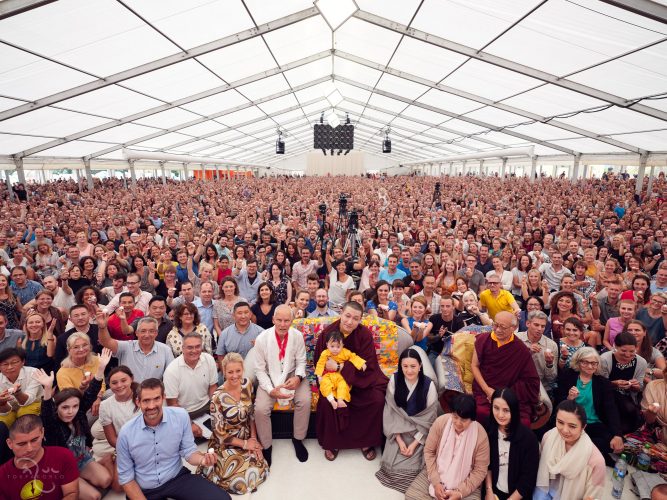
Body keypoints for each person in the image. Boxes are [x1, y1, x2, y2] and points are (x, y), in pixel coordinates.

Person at [115, 378, 231, 500]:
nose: (151, 406)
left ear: (163, 397)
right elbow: (126, 478)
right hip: (145, 490)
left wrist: (203, 460)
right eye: (146, 401)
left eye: (156, 399)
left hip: (176, 478)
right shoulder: (126, 433)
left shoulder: (181, 416)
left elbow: (189, 452)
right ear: (138, 402)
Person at [314, 301, 388, 461]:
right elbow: (320, 362)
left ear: (360, 320)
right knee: (328, 402)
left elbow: (369, 366)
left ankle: (366, 441)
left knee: (377, 399)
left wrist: (340, 367)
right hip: (334, 382)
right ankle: (332, 442)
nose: (349, 321)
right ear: (341, 313)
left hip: (361, 382)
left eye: (355, 318)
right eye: (347, 316)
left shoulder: (365, 335)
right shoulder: (328, 333)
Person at [34, 354, 113, 500]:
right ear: (57, 408)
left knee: (106, 480)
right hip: (63, 469)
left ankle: (90, 473)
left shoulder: (79, 414)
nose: (70, 411)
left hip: (82, 460)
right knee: (94, 496)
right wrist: (47, 389)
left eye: (75, 406)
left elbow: (91, 392)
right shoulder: (53, 424)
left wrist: (101, 368)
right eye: (65, 407)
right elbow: (46, 414)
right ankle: (69, 484)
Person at [198, 353, 268, 494]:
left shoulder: (247, 384)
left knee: (258, 467)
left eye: (238, 371)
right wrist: (244, 444)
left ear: (243, 370)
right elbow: (220, 434)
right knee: (234, 482)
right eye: (230, 372)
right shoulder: (217, 397)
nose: (235, 375)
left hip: (246, 435)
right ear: (224, 372)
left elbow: (251, 415)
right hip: (226, 441)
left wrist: (253, 439)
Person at [375, 348, 439, 493]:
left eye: (413, 366)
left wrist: (416, 443)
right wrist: (399, 439)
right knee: (390, 468)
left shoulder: (428, 385)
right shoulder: (395, 379)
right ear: (400, 366)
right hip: (397, 429)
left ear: (420, 366)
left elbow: (430, 418)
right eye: (405, 366)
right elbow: (391, 410)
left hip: (420, 431)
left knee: (417, 468)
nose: (409, 371)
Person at [253, 305, 310, 465]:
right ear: (273, 320)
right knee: (260, 409)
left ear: (292, 321)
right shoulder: (261, 339)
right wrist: (271, 390)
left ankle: (298, 439)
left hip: (292, 374)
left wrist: (298, 377)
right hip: (269, 377)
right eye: (279, 320)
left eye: (287, 321)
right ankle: (266, 446)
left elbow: (301, 361)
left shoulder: (297, 335)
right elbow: (259, 369)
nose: (283, 324)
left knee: (304, 401)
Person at [404, 394, 490, 500]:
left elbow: (480, 471)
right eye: (455, 417)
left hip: (466, 480)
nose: (458, 423)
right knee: (411, 496)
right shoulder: (441, 422)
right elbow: (429, 451)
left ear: (472, 419)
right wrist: (436, 482)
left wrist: (460, 493)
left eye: (463, 420)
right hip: (438, 471)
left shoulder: (481, 435)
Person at [471, 311, 540, 426]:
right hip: (485, 391)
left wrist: (505, 395)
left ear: (513, 328)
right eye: (495, 325)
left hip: (509, 393)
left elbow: (530, 380)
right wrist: (487, 390)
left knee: (522, 421)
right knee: (482, 412)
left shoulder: (520, 349)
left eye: (503, 327)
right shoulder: (483, 340)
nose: (498, 330)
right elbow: (474, 365)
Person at [533, 400, 606, 500]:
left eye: (572, 426)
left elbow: (592, 496)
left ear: (583, 427)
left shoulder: (596, 461)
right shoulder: (548, 437)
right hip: (543, 492)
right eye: (560, 422)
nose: (565, 430)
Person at [0, 415, 79, 500]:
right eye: (22, 444)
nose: (29, 449)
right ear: (9, 444)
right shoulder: (2, 475)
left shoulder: (63, 456)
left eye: (34, 440)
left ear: (42, 433)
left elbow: (71, 493)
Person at [485, 388, 539, 500]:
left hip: (518, 496)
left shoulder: (529, 439)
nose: (500, 415)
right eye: (496, 408)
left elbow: (528, 479)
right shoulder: (488, 430)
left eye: (506, 410)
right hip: (493, 493)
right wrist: (489, 491)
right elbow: (487, 465)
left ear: (513, 410)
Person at [94, 366, 140, 492]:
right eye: (114, 383)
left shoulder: (142, 397)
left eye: (123, 380)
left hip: (146, 444)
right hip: (124, 447)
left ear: (131, 379)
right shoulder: (105, 406)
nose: (119, 385)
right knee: (118, 488)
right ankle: (109, 460)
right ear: (109, 385)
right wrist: (128, 450)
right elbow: (112, 439)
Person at [164, 333, 218, 438]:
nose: (194, 350)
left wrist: (216, 411)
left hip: (206, 406)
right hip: (184, 412)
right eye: (190, 347)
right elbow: (172, 404)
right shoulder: (172, 370)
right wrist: (190, 424)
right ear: (182, 348)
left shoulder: (209, 359)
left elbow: (213, 388)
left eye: (197, 346)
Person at [97, 313, 174, 382]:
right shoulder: (126, 347)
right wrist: (102, 327)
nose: (147, 335)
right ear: (136, 333)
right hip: (128, 393)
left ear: (156, 333)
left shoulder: (165, 350)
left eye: (151, 331)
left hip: (153, 394)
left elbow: (171, 375)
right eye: (143, 331)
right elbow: (106, 342)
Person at [599, 330, 647, 434]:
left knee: (630, 410)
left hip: (628, 397)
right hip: (607, 395)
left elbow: (640, 387)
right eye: (623, 350)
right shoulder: (605, 359)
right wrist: (613, 384)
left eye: (632, 351)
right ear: (615, 346)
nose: (628, 355)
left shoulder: (641, 362)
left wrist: (635, 385)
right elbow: (599, 384)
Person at [315, 329, 367, 409]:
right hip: (328, 375)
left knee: (343, 385)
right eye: (332, 346)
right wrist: (319, 376)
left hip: (340, 375)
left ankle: (340, 400)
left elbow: (353, 357)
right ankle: (332, 401)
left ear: (342, 345)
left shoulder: (345, 352)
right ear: (327, 345)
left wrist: (361, 364)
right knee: (325, 384)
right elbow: (320, 364)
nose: (335, 349)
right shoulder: (325, 353)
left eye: (338, 346)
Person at [516, 311, 557, 396]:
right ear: (528, 323)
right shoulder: (516, 338)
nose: (539, 329)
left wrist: (549, 364)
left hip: (542, 388)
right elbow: (510, 365)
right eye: (536, 325)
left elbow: (552, 378)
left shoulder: (551, 345)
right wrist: (527, 353)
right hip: (517, 384)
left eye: (543, 326)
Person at [0, 347, 42, 427]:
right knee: (3, 420)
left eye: (14, 362)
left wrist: (18, 393)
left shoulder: (34, 372)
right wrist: (2, 403)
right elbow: (6, 411)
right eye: (5, 364)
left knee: (24, 413)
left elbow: (29, 400)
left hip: (34, 403)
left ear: (23, 362)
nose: (10, 367)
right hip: (12, 409)